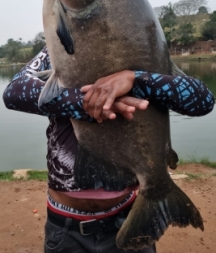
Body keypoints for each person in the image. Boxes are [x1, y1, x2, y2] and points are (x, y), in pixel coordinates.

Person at [2, 46, 215, 253]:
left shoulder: (142, 49)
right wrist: (87, 103)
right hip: (66, 225)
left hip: (129, 217)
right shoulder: (58, 48)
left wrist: (136, 79)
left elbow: (203, 100)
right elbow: (14, 92)